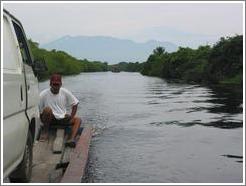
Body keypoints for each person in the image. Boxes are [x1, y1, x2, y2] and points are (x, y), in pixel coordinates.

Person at [39, 73, 81, 147]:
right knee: (47, 110)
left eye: (57, 84)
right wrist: (43, 118)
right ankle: (45, 132)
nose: (55, 87)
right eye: (54, 84)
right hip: (50, 119)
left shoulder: (65, 92)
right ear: (50, 84)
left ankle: (71, 139)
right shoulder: (43, 94)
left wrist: (71, 117)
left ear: (61, 84)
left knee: (78, 120)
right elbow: (38, 109)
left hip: (62, 117)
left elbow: (75, 103)